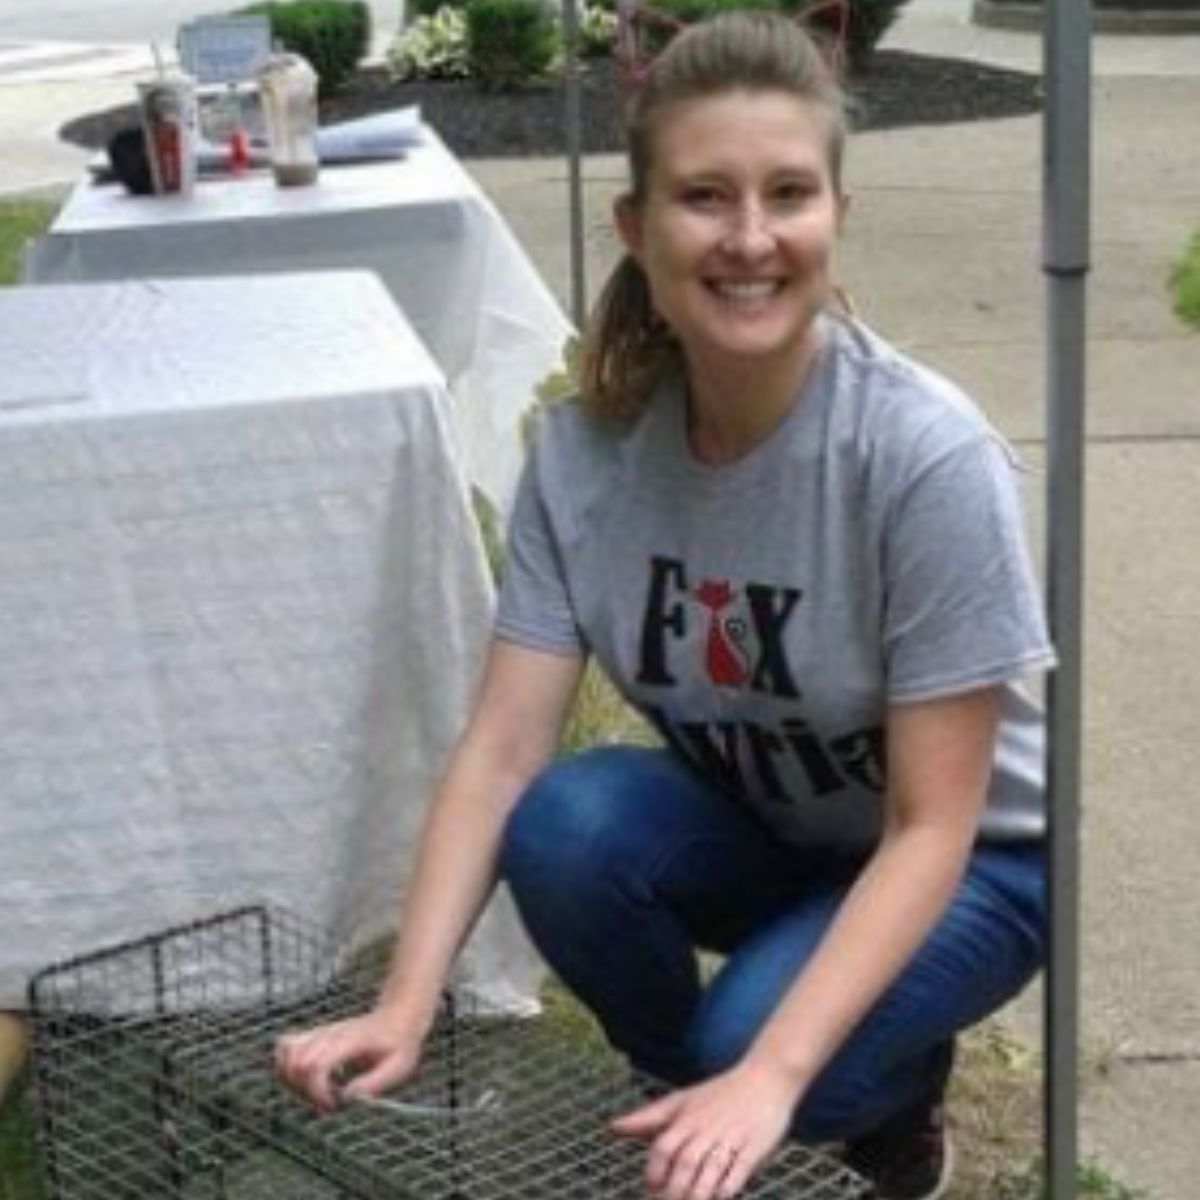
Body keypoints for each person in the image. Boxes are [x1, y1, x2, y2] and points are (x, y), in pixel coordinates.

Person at [275, 12, 1054, 1200]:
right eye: (705, 197)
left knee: (752, 1052)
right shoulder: (584, 457)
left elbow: (932, 827)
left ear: (837, 216)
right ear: (637, 231)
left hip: (977, 867)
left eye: (789, 193)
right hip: (784, 837)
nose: (751, 238)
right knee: (569, 822)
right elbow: (500, 755)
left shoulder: (922, 458)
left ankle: (877, 1112)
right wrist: (405, 1002)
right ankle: (691, 1112)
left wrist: (773, 1071)